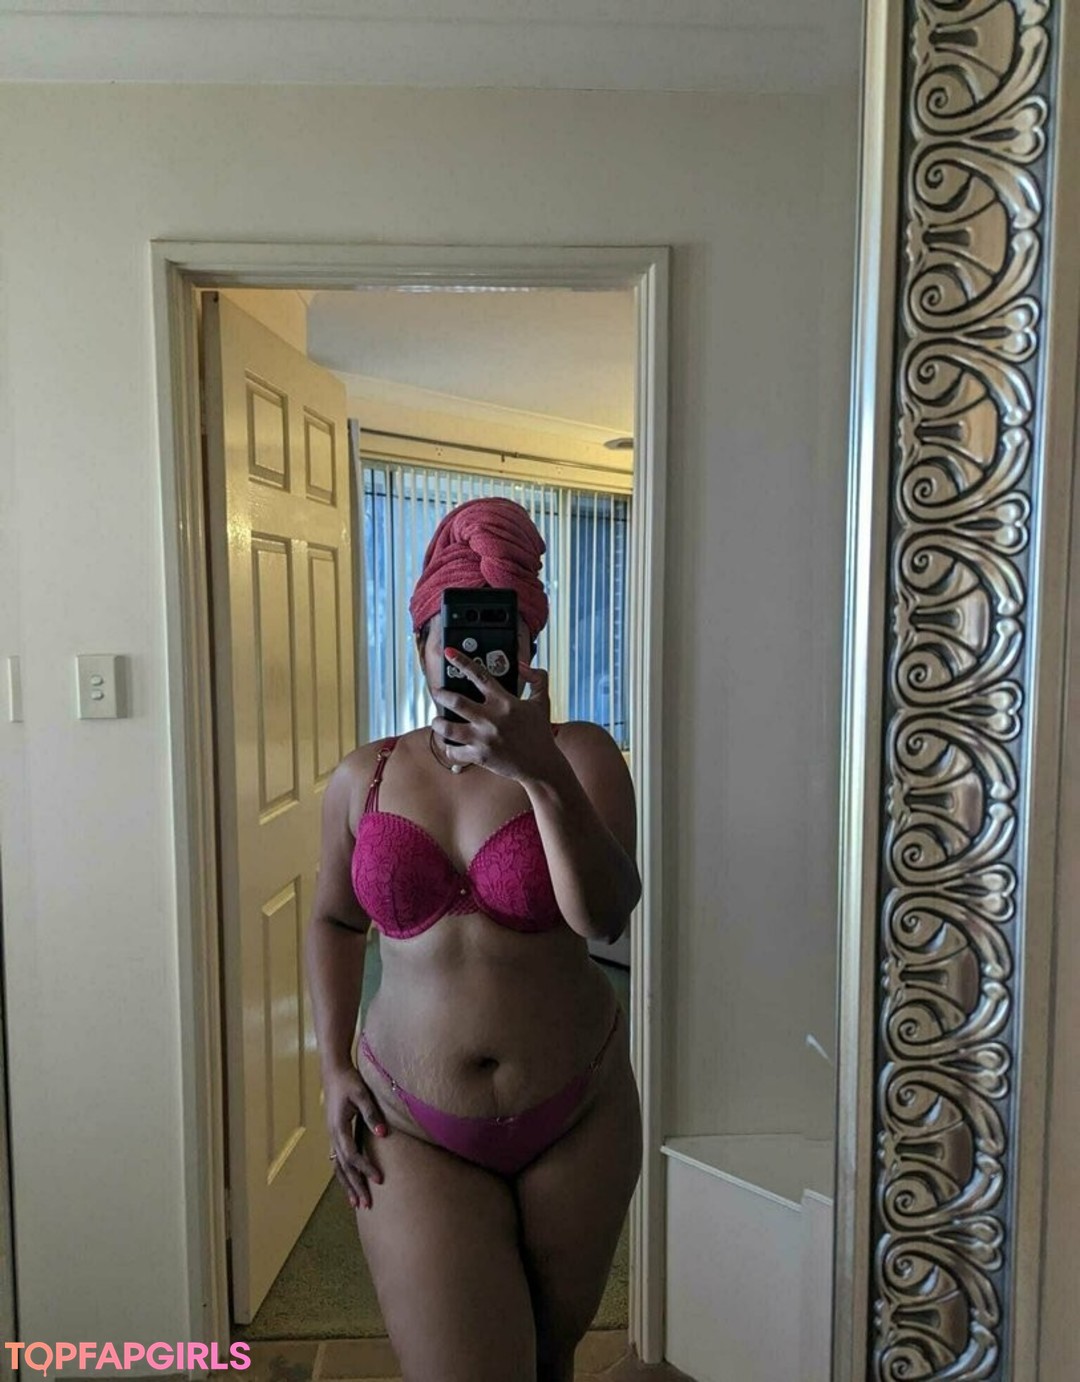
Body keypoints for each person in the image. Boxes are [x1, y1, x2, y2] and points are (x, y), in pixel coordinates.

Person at [304, 496, 643, 1382]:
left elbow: (605, 916)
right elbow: (334, 920)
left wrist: (539, 773)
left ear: (530, 648)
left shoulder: (583, 755)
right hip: (409, 1122)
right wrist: (332, 1067)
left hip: (579, 1114)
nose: (469, 657)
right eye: (448, 638)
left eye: (502, 636)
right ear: (420, 644)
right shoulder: (364, 776)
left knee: (548, 1363)